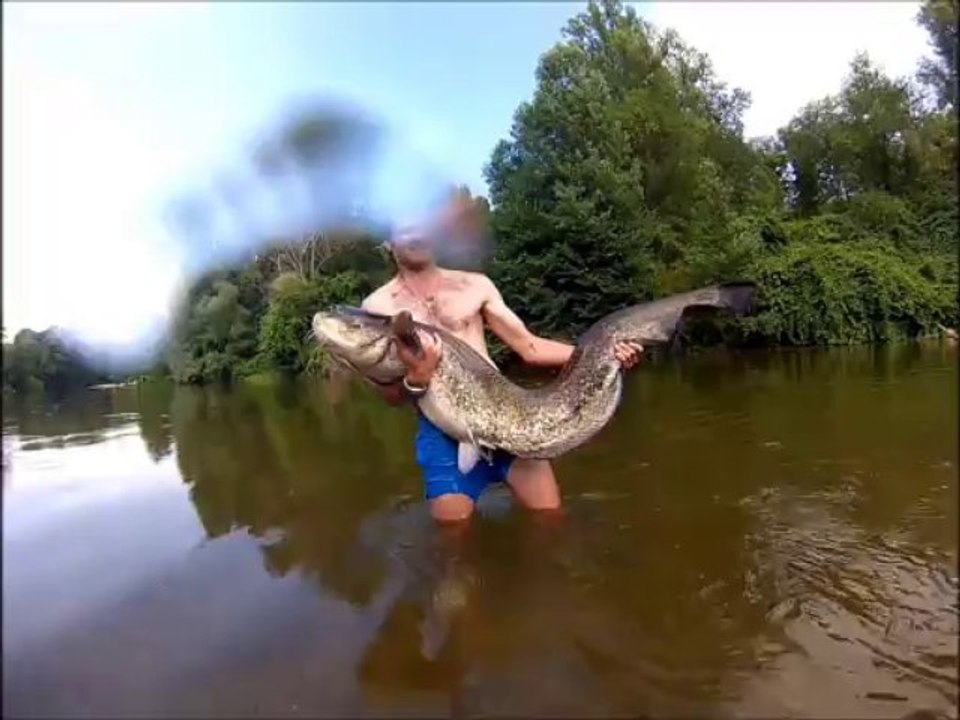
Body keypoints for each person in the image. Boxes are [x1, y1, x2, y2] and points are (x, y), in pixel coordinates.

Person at [361, 224, 643, 524]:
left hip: (509, 417)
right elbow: (390, 396)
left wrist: (603, 356)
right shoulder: (377, 308)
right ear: (388, 243)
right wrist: (418, 378)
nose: (418, 236)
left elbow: (530, 347)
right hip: (442, 430)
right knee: (454, 541)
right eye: (406, 229)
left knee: (551, 522)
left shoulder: (475, 285)